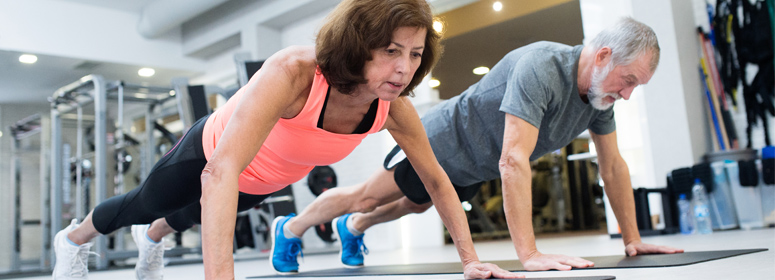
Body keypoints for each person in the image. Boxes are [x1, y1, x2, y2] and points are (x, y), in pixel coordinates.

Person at [51, 0, 521, 279]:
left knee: (188, 216)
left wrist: (469, 262)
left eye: (416, 54)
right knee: (147, 202)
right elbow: (219, 171)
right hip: (213, 155)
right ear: (358, 45)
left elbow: (437, 181)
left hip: (264, 179)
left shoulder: (392, 105)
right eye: (391, 51)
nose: (404, 68)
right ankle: (73, 239)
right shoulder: (294, 73)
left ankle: (152, 238)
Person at [276, 17, 684, 273]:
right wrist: (530, 255)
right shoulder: (542, 66)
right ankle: (290, 228)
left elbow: (612, 166)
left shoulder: (598, 98)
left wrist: (632, 238)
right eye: (627, 81)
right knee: (367, 196)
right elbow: (513, 160)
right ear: (603, 56)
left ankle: (354, 228)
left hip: (475, 166)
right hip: (440, 140)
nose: (627, 94)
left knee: (415, 204)